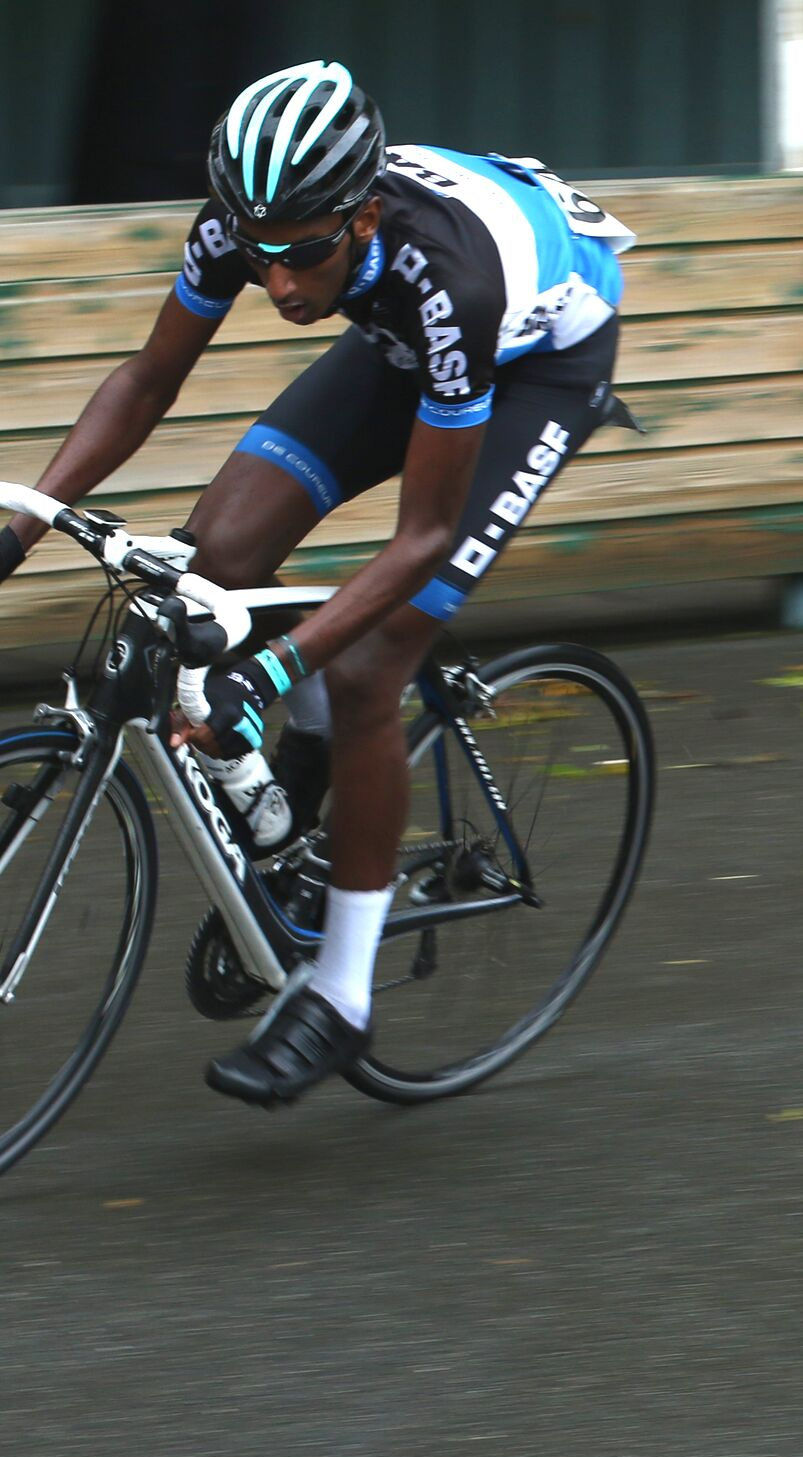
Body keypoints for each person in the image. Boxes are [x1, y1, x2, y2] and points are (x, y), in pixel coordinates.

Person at [0, 60, 634, 1107]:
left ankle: (339, 996)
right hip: (400, 341)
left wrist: (287, 660)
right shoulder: (260, 224)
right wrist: (21, 529)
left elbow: (425, 536)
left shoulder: (445, 282)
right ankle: (301, 767)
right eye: (261, 256)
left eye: (304, 256)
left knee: (372, 666)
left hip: (537, 362)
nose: (281, 284)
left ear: (365, 211)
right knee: (212, 562)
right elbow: (148, 380)